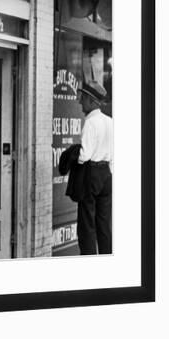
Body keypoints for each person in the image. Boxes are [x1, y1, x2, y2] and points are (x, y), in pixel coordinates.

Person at [77, 81, 113, 255]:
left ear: (91, 101)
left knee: (87, 225)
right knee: (104, 224)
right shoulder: (110, 121)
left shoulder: (90, 123)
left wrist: (72, 155)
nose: (79, 102)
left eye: (82, 98)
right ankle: (106, 259)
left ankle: (89, 264)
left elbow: (84, 155)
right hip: (106, 174)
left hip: (91, 174)